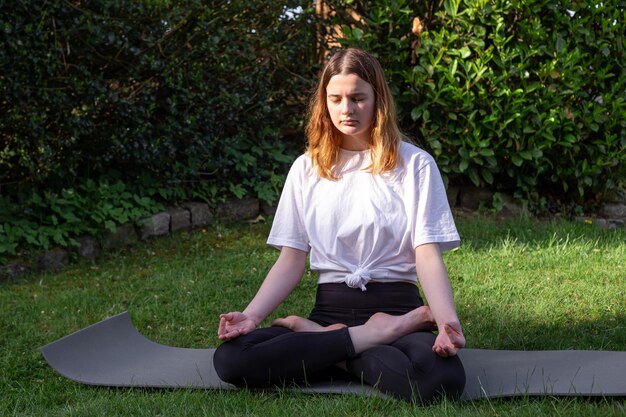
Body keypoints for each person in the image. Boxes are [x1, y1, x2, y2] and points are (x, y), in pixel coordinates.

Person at [213, 48, 466, 403]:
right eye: (336, 99)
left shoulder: (416, 165)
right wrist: (252, 316)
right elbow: (291, 259)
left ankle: (329, 340)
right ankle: (369, 336)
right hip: (331, 307)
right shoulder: (306, 168)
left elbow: (426, 254)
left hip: (398, 307)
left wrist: (445, 323)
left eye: (358, 98)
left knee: (441, 380)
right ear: (324, 103)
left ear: (379, 100)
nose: (346, 109)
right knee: (230, 359)